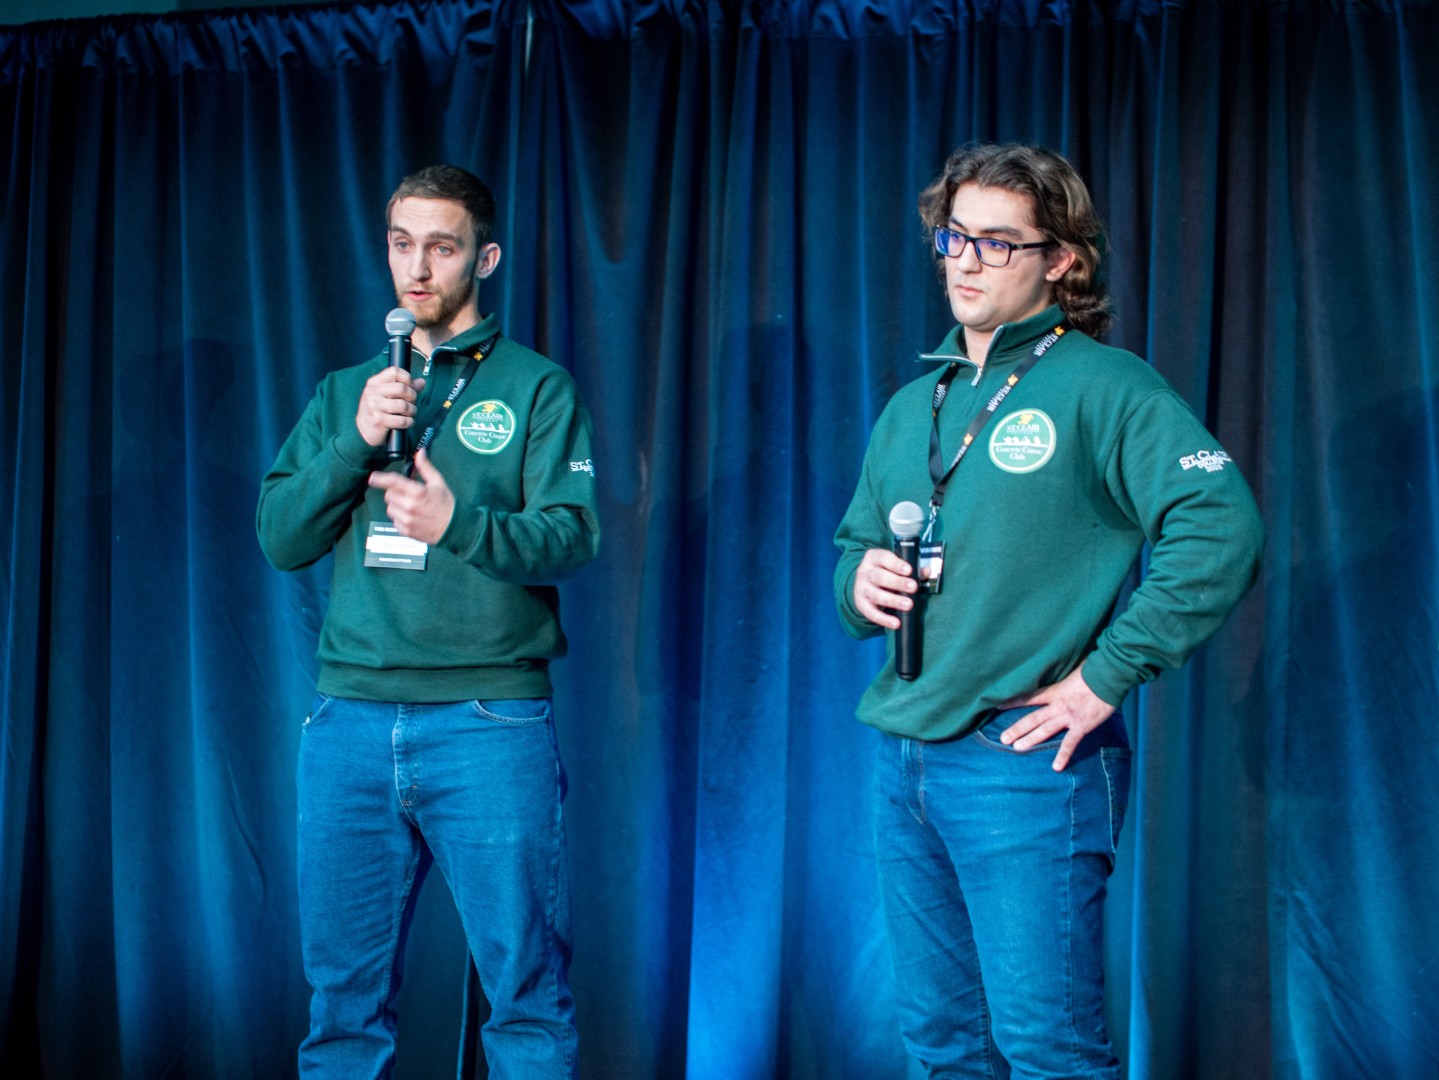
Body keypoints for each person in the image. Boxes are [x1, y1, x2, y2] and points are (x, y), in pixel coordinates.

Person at [832, 143, 1264, 1077]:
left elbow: (1219, 526)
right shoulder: (915, 403)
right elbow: (854, 548)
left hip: (1024, 765)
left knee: (1048, 1052)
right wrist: (857, 583)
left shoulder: (1105, 385)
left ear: (1059, 259)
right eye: (953, 238)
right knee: (941, 1047)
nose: (966, 262)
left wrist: (1106, 675)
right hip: (904, 757)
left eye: (997, 243)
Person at [257, 164, 599, 1079]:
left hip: (489, 722)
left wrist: (459, 525)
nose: (417, 268)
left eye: (441, 248)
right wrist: (355, 439)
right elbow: (282, 538)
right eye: (401, 245)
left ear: (484, 258)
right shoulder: (349, 391)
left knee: (526, 998)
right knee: (341, 1009)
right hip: (348, 723)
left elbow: (572, 539)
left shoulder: (536, 388)